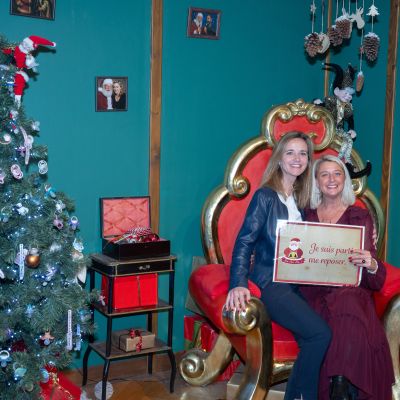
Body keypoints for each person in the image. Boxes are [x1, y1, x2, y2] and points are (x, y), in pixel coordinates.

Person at [225, 131, 332, 400]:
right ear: (279, 159)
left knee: (315, 336)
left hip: (297, 282)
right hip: (271, 283)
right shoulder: (265, 196)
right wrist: (237, 283)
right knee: (320, 334)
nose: (297, 158)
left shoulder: (302, 199)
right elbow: (244, 242)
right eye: (290, 152)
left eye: (303, 153)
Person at [301, 155, 394, 400]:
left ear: (345, 179)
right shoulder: (305, 217)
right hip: (315, 292)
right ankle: (342, 388)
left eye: (337, 173)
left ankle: (339, 387)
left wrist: (371, 264)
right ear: (316, 182)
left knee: (348, 301)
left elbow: (374, 280)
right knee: (345, 306)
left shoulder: (360, 217)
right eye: (324, 174)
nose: (331, 179)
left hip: (352, 291)